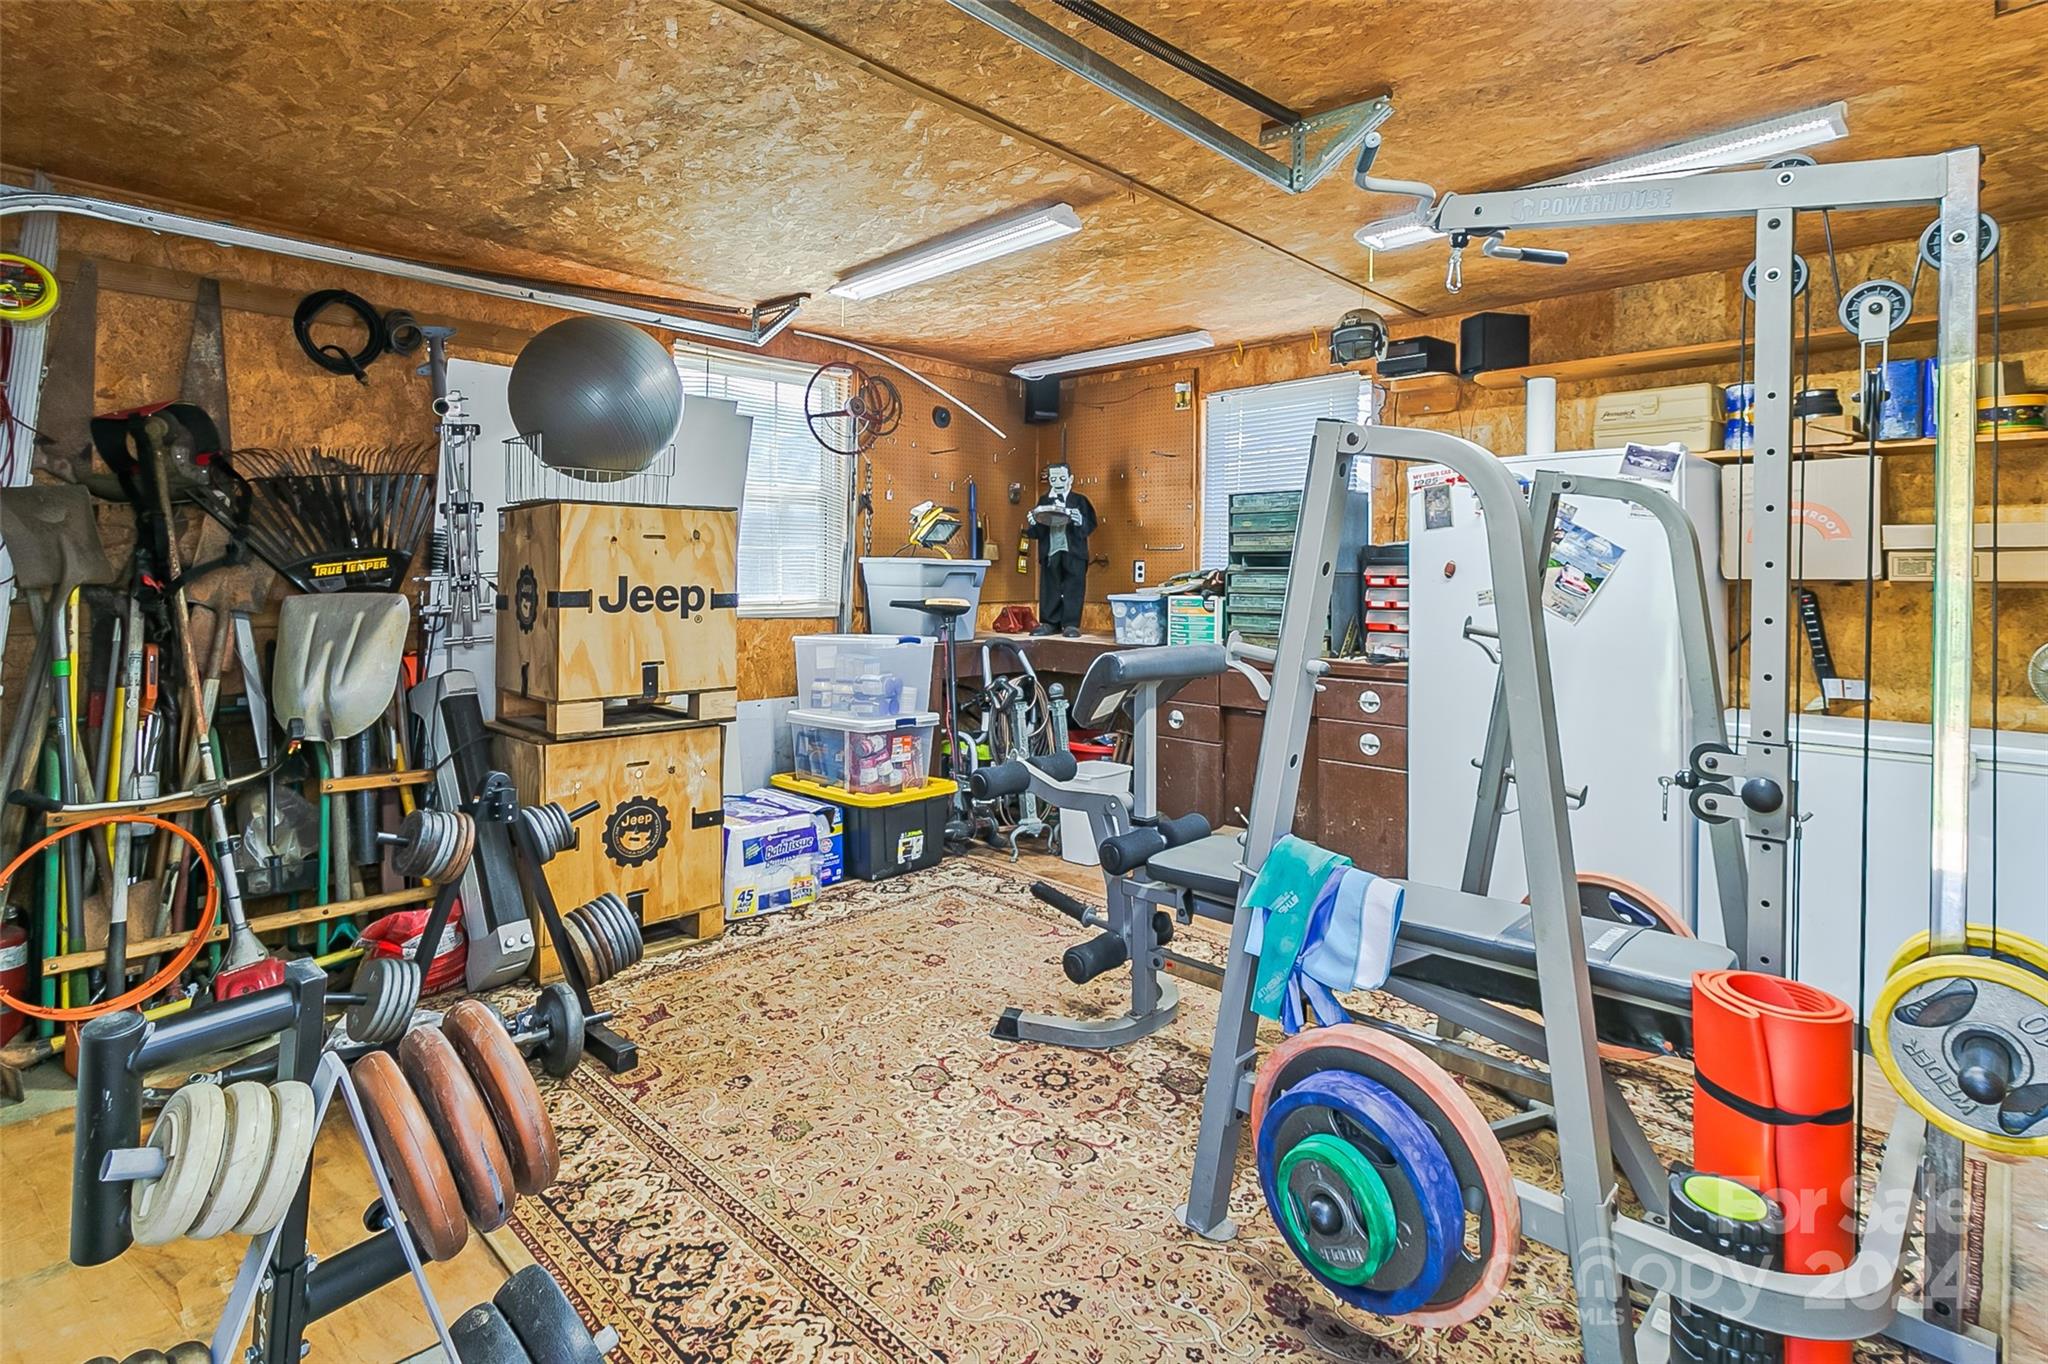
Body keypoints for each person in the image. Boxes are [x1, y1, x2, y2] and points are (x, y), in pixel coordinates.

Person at [1022, 463, 1096, 638]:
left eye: (1062, 478)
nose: (1058, 482)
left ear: (1070, 479)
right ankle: (1049, 622)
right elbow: (1038, 532)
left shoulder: (1080, 501)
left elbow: (1090, 525)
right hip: (1051, 550)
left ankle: (1071, 624)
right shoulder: (1044, 501)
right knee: (1049, 585)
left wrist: (1080, 521)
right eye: (1053, 478)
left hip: (1074, 551)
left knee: (1074, 585)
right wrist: (1033, 523)